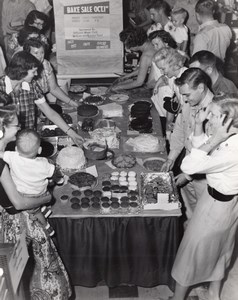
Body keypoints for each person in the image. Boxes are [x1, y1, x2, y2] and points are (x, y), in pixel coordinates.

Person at [0, 92, 72, 299]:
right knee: (30, 273)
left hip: (20, 219)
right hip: (17, 225)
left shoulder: (9, 153)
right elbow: (19, 202)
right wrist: (46, 198)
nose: (18, 128)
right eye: (15, 125)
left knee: (24, 276)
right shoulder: (3, 161)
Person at [170, 95, 238, 300]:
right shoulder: (230, 137)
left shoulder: (232, 149)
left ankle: (178, 299)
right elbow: (201, 147)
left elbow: (189, 165)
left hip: (219, 206)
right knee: (222, 249)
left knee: (190, 254)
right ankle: (214, 294)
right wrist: (199, 125)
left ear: (228, 120)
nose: (209, 118)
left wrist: (215, 139)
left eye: (214, 115)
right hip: (223, 202)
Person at [161, 68, 214, 220]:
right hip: (187, 169)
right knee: (189, 214)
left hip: (204, 179)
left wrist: (189, 176)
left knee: (204, 219)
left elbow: (211, 154)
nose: (184, 99)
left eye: (187, 94)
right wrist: (171, 158)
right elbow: (179, 131)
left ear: (201, 87)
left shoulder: (215, 111)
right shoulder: (189, 104)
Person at [0, 51, 83, 145]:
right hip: (6, 144)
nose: (36, 74)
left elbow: (49, 112)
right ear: (22, 71)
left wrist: (72, 134)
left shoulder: (32, 85)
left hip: (29, 140)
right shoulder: (1, 87)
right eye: (33, 71)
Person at [0, 128, 58, 236]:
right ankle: (47, 226)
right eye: (16, 125)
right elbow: (54, 172)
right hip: (35, 195)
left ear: (17, 148)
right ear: (39, 150)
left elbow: (1, 154)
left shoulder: (12, 156)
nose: (18, 127)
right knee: (35, 210)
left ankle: (42, 210)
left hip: (22, 192)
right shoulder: (44, 163)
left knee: (35, 207)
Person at [23, 38, 79, 107]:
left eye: (42, 52)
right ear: (27, 54)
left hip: (42, 103)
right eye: (36, 53)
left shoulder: (45, 64)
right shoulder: (22, 69)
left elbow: (54, 88)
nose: (40, 56)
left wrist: (71, 102)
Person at [152, 47, 187, 138]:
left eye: (163, 69)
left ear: (174, 64)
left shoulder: (186, 79)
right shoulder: (171, 75)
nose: (161, 72)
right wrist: (156, 86)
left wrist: (176, 124)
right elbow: (163, 78)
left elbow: (187, 108)